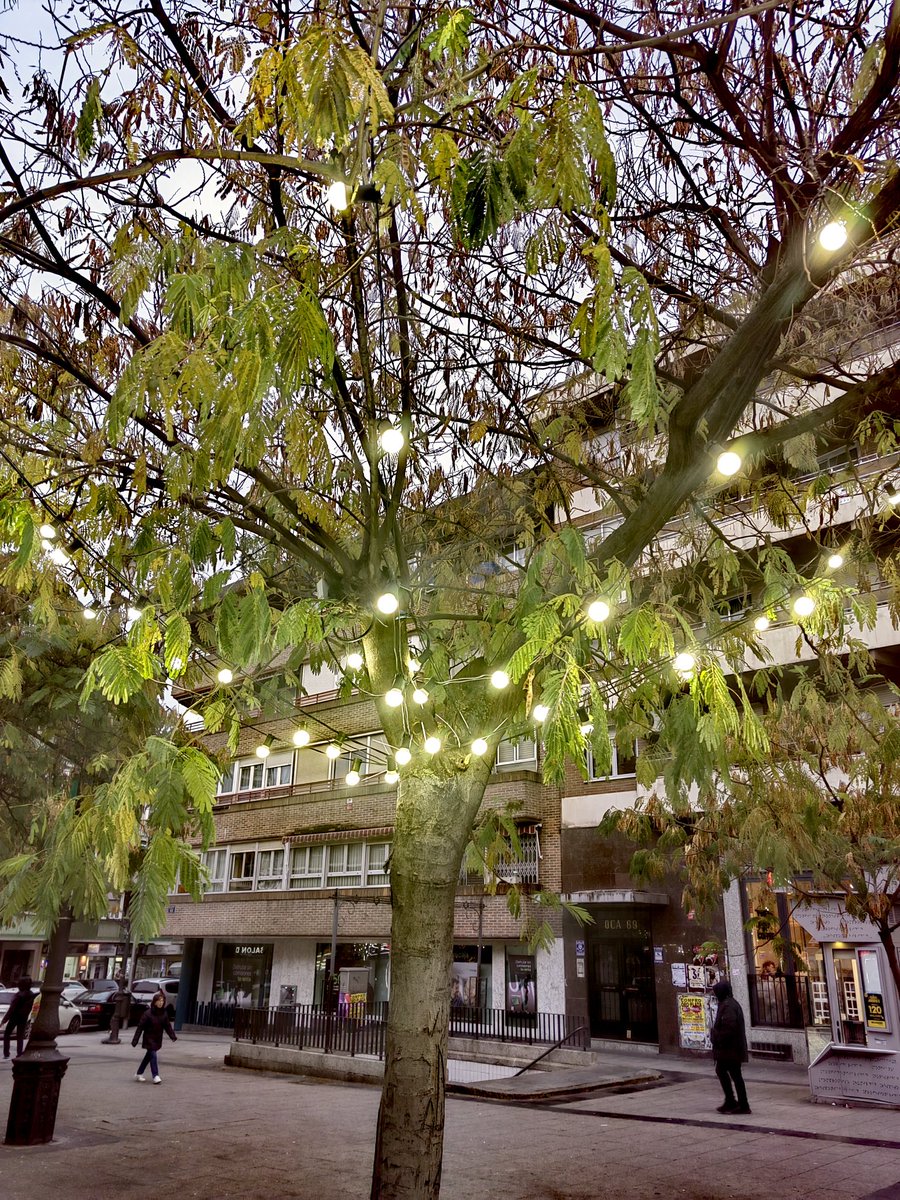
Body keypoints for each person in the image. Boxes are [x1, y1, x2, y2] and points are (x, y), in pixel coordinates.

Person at [711, 979, 751, 1115]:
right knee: (730, 1073)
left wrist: (718, 1037)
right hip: (731, 1048)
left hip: (730, 1049)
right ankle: (733, 1101)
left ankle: (738, 1103)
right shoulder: (729, 1004)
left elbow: (729, 1026)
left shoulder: (728, 1006)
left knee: (728, 1072)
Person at [131, 989, 177, 1084]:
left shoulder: (164, 1013)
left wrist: (172, 1036)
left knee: (149, 1056)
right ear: (154, 1002)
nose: (161, 1003)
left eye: (162, 1001)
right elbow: (140, 1027)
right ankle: (155, 1075)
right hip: (149, 1038)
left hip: (157, 1038)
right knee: (153, 1055)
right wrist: (135, 1040)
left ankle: (139, 1073)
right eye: (159, 1001)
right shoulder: (147, 1014)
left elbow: (167, 1026)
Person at [2, 977, 36, 1060]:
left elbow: (12, 1009)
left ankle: (6, 1053)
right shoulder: (31, 994)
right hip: (23, 1017)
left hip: (14, 1016)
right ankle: (19, 1053)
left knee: (7, 1034)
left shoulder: (19, 995)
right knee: (20, 1036)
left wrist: (4, 1020)